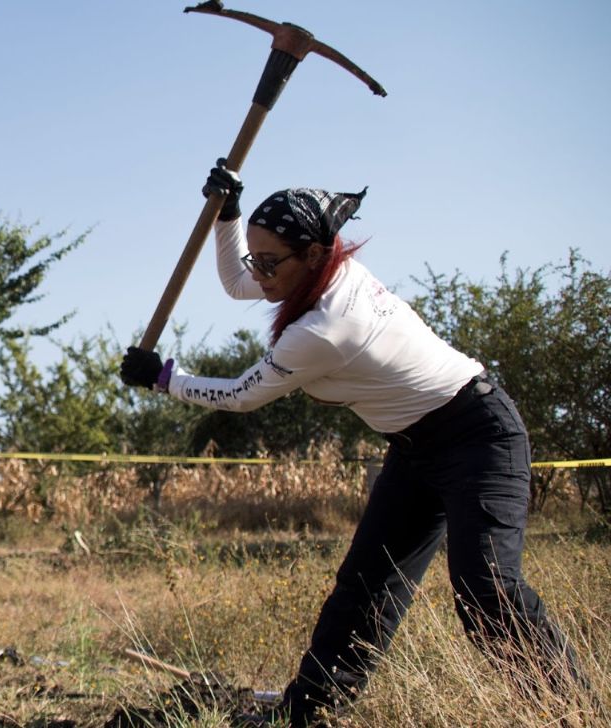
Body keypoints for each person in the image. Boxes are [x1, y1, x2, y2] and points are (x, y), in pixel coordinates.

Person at [120, 162, 585, 726]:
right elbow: (236, 283)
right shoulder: (318, 276)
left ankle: (572, 708)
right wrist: (229, 218)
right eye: (255, 256)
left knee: (486, 588)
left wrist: (164, 378)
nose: (259, 275)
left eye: (270, 262)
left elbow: (243, 393)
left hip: (478, 436)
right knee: (365, 584)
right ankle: (308, 714)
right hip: (415, 448)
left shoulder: (326, 327)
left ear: (315, 254)